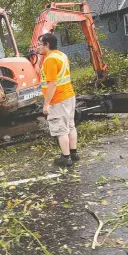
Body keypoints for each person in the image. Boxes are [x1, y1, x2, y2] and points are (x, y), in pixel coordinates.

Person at [38, 33, 80, 167]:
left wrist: (46, 104)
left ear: (47, 44)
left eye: (40, 44)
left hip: (58, 99)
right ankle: (74, 153)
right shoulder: (62, 55)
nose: (38, 47)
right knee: (70, 125)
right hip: (69, 95)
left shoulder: (50, 60)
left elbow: (52, 83)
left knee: (61, 128)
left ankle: (66, 158)